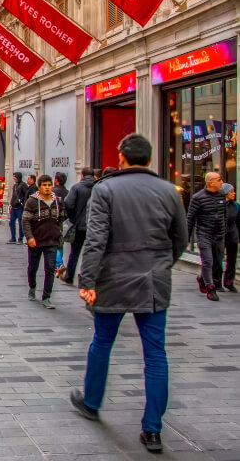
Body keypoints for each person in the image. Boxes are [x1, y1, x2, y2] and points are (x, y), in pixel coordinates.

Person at [70, 133, 188, 454]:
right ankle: (152, 429)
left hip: (112, 281)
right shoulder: (168, 191)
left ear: (121, 156)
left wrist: (87, 281)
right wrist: (162, 263)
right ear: (149, 159)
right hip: (153, 284)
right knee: (155, 356)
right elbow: (181, 238)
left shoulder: (105, 189)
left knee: (102, 343)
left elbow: (95, 241)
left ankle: (92, 401)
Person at [22, 174, 65, 309]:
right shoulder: (32, 201)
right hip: (36, 241)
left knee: (50, 269)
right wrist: (29, 237)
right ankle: (32, 286)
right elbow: (26, 221)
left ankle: (46, 297)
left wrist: (57, 232)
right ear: (39, 187)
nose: (47, 187)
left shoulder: (57, 201)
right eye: (44, 185)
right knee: (32, 268)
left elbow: (62, 217)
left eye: (49, 185)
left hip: (52, 241)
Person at [187, 171, 227, 301]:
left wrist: (224, 229)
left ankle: (202, 278)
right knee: (208, 261)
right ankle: (211, 288)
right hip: (204, 235)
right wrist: (186, 238)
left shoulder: (222, 195)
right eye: (219, 180)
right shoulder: (198, 198)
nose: (222, 182)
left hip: (219, 235)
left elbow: (224, 214)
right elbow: (190, 219)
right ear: (211, 182)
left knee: (217, 263)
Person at [62, 167, 96, 285]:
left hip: (79, 225)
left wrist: (72, 217)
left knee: (75, 251)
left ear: (82, 175)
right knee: (91, 252)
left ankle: (69, 277)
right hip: (95, 225)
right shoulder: (99, 187)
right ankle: (86, 278)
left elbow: (68, 203)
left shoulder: (76, 187)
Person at [222, 183, 239, 293]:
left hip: (232, 236)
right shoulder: (218, 205)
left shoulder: (236, 206)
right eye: (231, 191)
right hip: (220, 236)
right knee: (216, 259)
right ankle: (215, 282)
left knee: (232, 260)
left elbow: (239, 222)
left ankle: (229, 282)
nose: (234, 193)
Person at [53, 172, 69, 270]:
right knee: (60, 241)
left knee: (54, 243)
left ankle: (58, 263)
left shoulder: (52, 192)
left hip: (52, 220)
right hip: (64, 220)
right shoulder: (68, 192)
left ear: (56, 180)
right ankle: (58, 262)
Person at [7, 172, 28, 244]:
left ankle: (20, 238)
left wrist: (22, 202)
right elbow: (13, 195)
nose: (14, 179)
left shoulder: (23, 185)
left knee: (20, 223)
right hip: (14, 207)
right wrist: (11, 204)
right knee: (11, 222)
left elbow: (26, 195)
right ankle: (13, 237)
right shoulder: (15, 185)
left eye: (15, 177)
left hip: (20, 207)